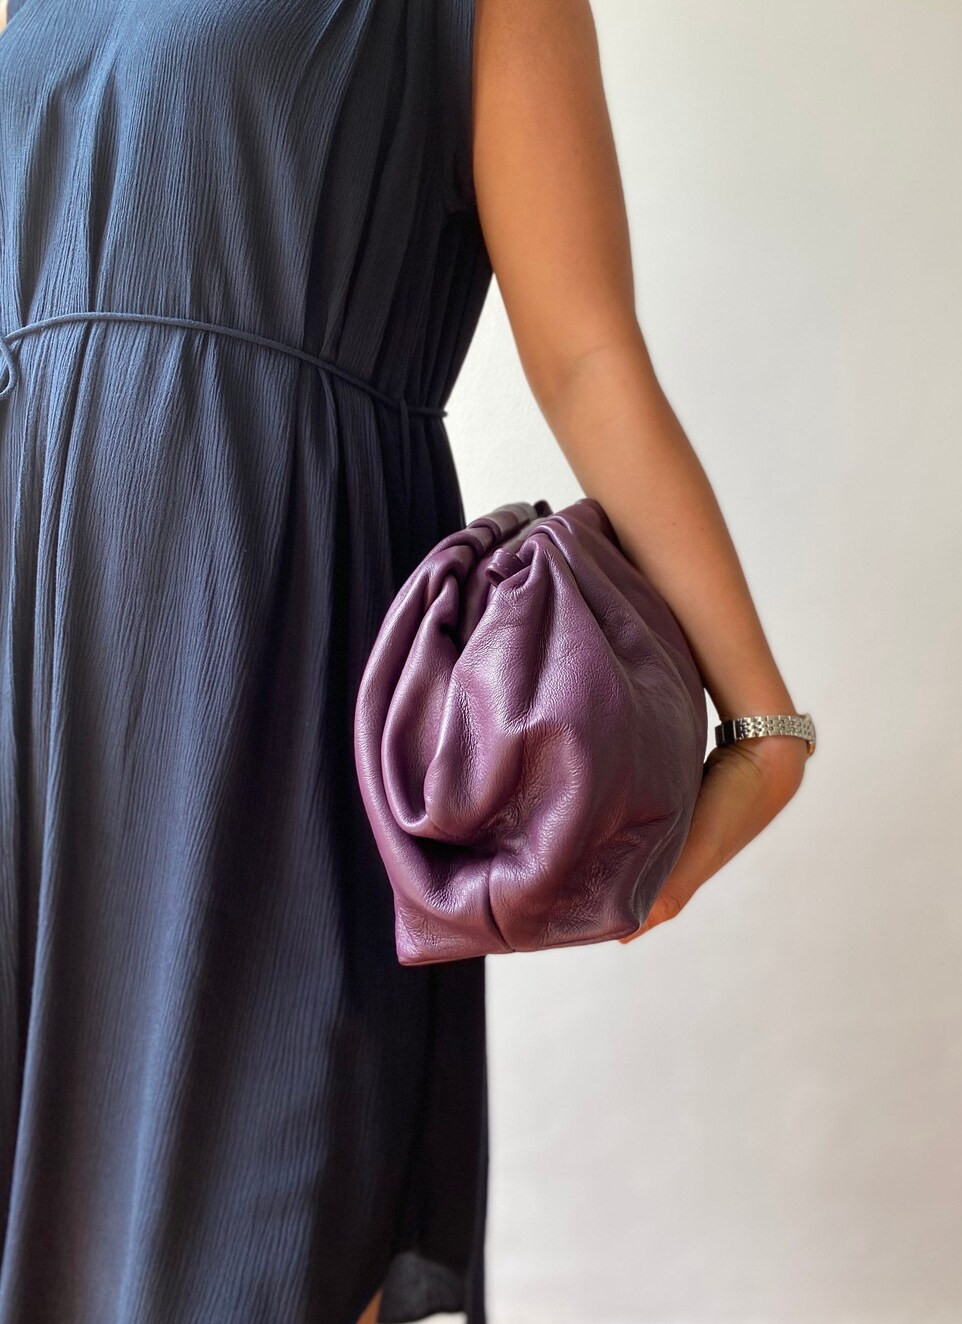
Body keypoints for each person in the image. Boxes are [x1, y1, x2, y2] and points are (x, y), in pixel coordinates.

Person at [0, 1, 808, 1321]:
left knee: (260, 1240)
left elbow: (586, 353)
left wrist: (765, 724)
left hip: (269, 673)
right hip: (35, 668)